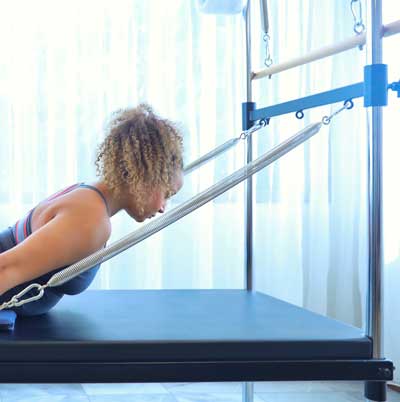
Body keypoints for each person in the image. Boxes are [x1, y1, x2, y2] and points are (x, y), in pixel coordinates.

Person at [0, 104, 184, 316]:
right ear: (146, 177)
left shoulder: (88, 196)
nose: (163, 208)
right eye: (167, 194)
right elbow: (4, 269)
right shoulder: (90, 220)